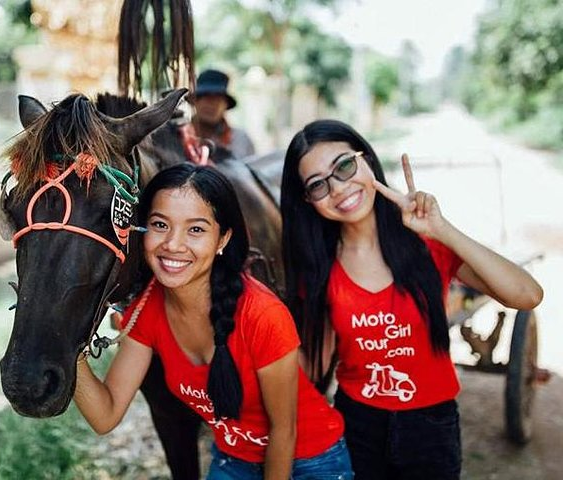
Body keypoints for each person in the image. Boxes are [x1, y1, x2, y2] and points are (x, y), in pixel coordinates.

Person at [279, 119, 544, 480]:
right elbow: (312, 369)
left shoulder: (426, 244)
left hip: (431, 428)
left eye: (344, 166)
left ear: (367, 160)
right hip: (357, 425)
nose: (338, 188)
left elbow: (527, 294)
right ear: (307, 201)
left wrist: (442, 229)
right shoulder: (319, 270)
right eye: (317, 185)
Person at [74, 163, 352, 479]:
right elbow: (105, 416)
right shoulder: (148, 307)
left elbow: (283, 431)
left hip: (312, 458)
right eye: (160, 224)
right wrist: (65, 342)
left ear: (222, 239)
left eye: (196, 229)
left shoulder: (263, 315)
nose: (173, 244)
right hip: (232, 458)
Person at [191, 69, 256, 159]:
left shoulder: (240, 140)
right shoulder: (179, 138)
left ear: (226, 105)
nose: (212, 105)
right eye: (207, 98)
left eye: (217, 99)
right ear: (195, 102)